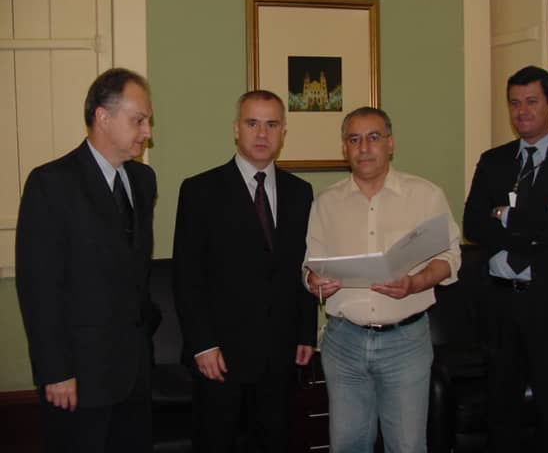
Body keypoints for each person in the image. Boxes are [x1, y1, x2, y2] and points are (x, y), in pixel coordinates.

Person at [15, 67, 157, 452]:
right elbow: (39, 287)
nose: (147, 133)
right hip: (78, 379)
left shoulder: (144, 182)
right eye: (139, 121)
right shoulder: (51, 184)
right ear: (102, 117)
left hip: (134, 375)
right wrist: (56, 371)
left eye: (148, 122)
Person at [304, 106, 461, 453]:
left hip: (405, 342)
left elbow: (451, 258)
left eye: (373, 138)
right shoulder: (325, 204)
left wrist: (416, 283)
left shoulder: (426, 195)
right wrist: (314, 281)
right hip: (343, 343)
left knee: (406, 446)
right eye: (354, 139)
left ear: (390, 144)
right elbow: (309, 267)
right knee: (347, 445)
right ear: (344, 148)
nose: (364, 148)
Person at [172, 90, 317, 452]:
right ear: (237, 129)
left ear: (284, 131)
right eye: (252, 123)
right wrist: (202, 344)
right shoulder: (199, 190)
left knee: (275, 441)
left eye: (271, 124)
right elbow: (187, 277)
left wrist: (305, 332)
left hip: (280, 353)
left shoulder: (301, 192)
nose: (262, 133)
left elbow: (303, 265)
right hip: (220, 355)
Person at [463, 65, 548, 453]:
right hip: (500, 301)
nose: (522, 111)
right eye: (515, 103)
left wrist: (504, 214)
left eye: (532, 102)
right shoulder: (494, 161)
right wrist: (540, 215)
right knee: (501, 404)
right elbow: (473, 224)